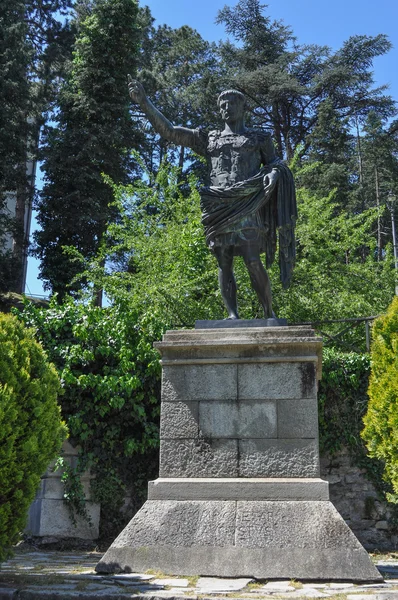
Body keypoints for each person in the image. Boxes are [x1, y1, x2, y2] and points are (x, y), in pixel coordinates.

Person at [128, 77, 297, 319]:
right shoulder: (210, 138)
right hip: (218, 206)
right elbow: (171, 132)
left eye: (230, 104)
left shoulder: (259, 138)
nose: (225, 108)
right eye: (222, 105)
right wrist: (144, 103)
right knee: (224, 261)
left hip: (247, 204)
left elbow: (277, 164)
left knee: (251, 260)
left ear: (242, 108)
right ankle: (232, 315)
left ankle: (268, 312)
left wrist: (272, 173)